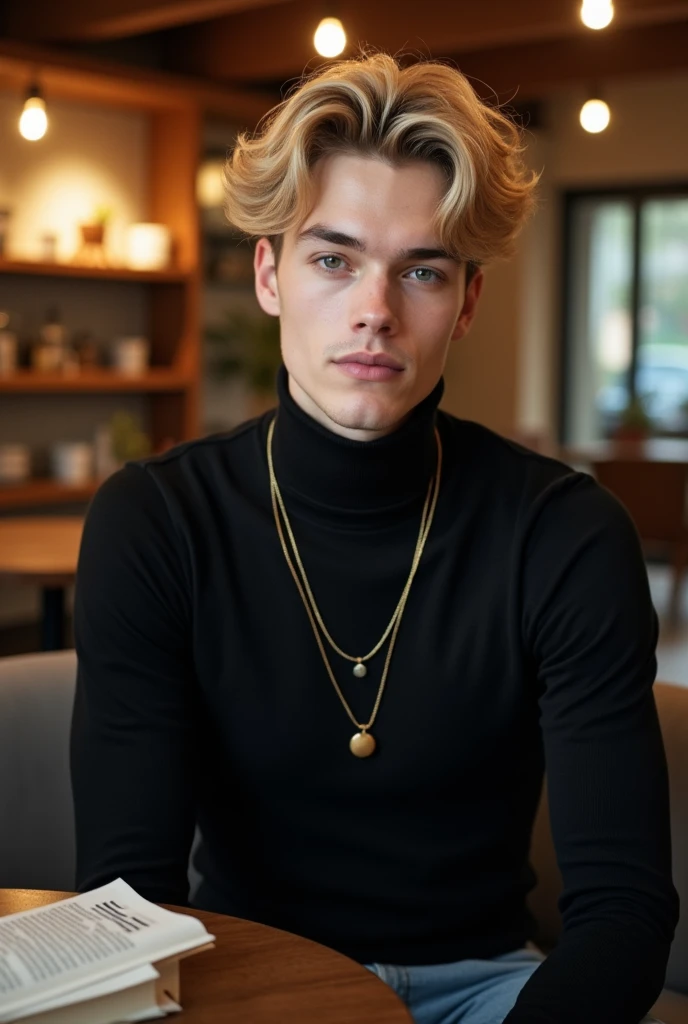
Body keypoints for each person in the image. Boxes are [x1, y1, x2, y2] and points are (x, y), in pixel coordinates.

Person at [71, 53, 678, 1024]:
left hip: (487, 987)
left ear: (466, 302)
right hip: (244, 973)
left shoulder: (564, 533)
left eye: (421, 270)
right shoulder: (156, 519)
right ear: (269, 274)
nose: (374, 310)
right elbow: (127, 893)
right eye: (333, 258)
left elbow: (624, 908)